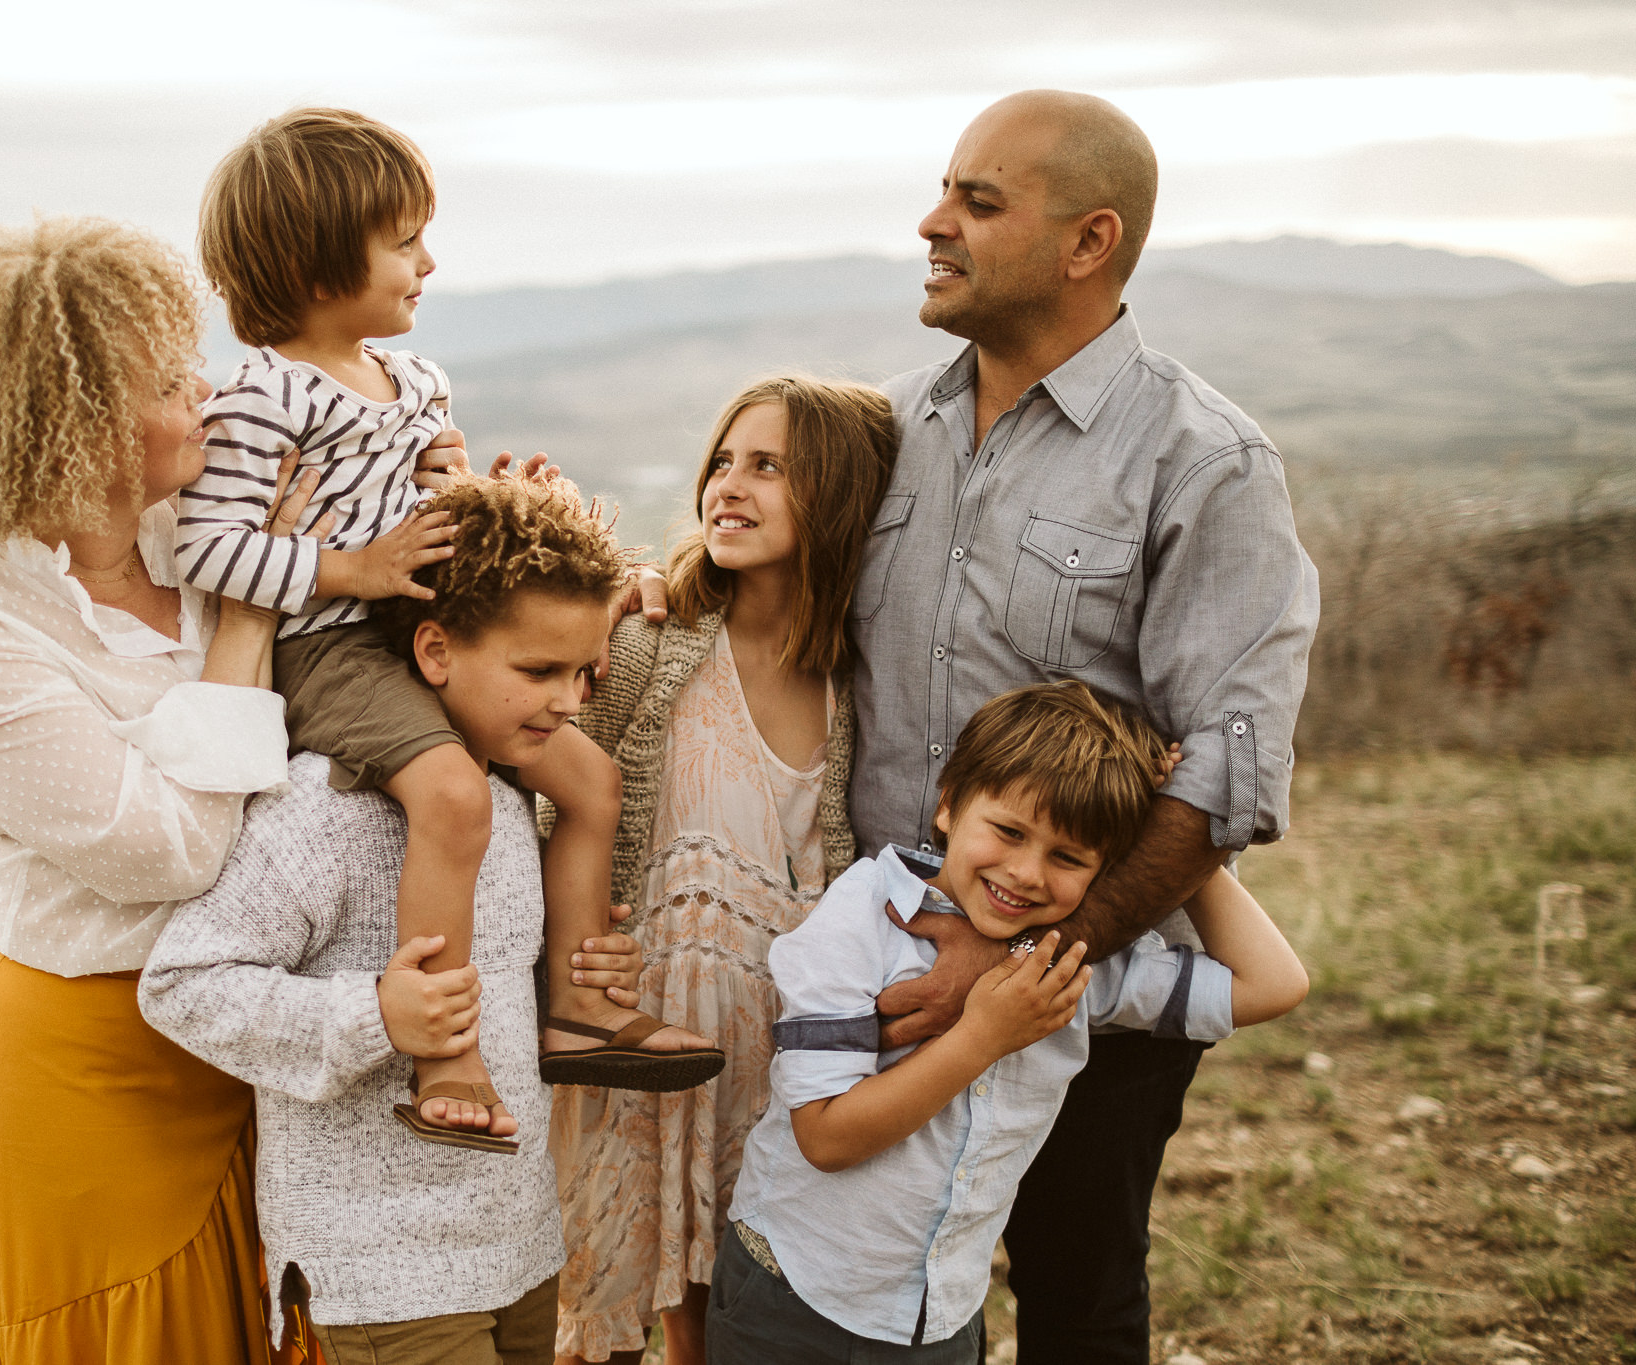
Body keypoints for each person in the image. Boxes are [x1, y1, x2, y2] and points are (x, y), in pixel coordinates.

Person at [849, 90, 1323, 1364]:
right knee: (865, 1301)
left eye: (976, 202)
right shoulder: (883, 428)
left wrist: (1019, 974)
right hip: (870, 977)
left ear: (1087, 241)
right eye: (945, 190)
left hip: (1085, 1006)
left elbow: (1222, 775)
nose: (930, 222)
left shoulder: (1204, 462)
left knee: (1078, 1303)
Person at [178, 109, 717, 1151]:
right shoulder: (262, 396)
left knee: (590, 781)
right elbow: (211, 549)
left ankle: (577, 1003)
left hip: (423, 625)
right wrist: (353, 570)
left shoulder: (417, 383)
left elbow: (436, 516)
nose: (428, 261)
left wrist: (488, 507)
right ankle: (442, 1049)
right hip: (329, 644)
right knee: (452, 792)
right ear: (315, 261)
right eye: (402, 241)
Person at [0, 217, 302, 1362]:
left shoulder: (212, 530)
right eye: (173, 381)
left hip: (267, 1029)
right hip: (91, 1049)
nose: (207, 393)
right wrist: (253, 623)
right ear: (81, 428)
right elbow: (168, 853)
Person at [141, 474, 639, 1364]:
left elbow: (494, 982)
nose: (570, 701)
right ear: (436, 652)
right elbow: (182, 985)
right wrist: (378, 1015)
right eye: (538, 671)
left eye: (581, 673)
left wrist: (574, 982)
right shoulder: (320, 808)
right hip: (379, 1277)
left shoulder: (508, 797)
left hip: (519, 1244)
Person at [709, 682, 1309, 1363]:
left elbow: (1275, 983)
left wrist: (1177, 839)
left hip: (939, 1319)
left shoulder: (1065, 963)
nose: (1025, 872)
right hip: (796, 1302)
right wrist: (981, 1036)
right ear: (949, 804)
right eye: (1009, 831)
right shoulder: (866, 919)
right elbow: (825, 1136)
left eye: (1069, 857)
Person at [546, 376, 898, 1365]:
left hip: (780, 1053)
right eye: (723, 462)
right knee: (598, 1317)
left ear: (835, 496)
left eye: (769, 467)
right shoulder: (645, 642)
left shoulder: (861, 678)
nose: (727, 487)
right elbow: (546, 808)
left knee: (723, 1321)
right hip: (640, 1029)